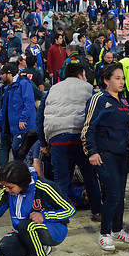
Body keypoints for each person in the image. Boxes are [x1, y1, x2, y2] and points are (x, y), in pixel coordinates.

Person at [82, 62, 129, 250]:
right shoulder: (98, 98)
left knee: (120, 194)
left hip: (121, 155)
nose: (122, 81)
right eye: (117, 78)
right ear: (106, 81)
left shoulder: (123, 101)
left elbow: (126, 129)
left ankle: (117, 229)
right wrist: (92, 151)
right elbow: (88, 127)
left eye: (123, 78)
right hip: (103, 154)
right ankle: (105, 233)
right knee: (113, 193)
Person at [38, 61, 102, 220]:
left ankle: (62, 215)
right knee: (90, 178)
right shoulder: (89, 89)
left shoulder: (52, 89)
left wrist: (43, 142)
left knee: (61, 181)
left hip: (58, 138)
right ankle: (97, 212)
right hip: (82, 138)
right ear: (81, 75)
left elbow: (40, 116)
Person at [0, 63, 36, 161]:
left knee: (19, 151)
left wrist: (23, 119)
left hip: (24, 127)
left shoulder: (24, 84)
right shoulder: (7, 88)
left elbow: (29, 103)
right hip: (14, 128)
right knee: (17, 151)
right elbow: (4, 108)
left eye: (2, 74)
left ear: (9, 74)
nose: (0, 76)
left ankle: (25, 173)